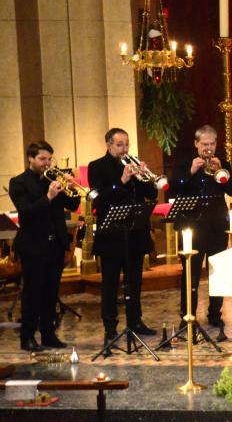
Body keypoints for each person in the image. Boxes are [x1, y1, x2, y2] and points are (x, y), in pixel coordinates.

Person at [88, 128, 158, 343]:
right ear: (108, 145)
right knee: (110, 283)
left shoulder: (133, 164)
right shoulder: (97, 167)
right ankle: (110, 327)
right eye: (119, 145)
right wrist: (122, 180)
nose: (124, 149)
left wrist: (144, 177)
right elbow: (99, 200)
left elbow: (152, 194)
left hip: (134, 234)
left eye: (126, 144)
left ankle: (135, 321)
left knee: (134, 281)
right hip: (111, 236)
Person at [10, 141, 81, 351]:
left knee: (51, 292)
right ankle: (27, 337)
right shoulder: (19, 183)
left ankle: (49, 334)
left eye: (49, 159)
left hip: (55, 244)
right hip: (33, 244)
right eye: (42, 159)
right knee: (33, 292)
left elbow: (73, 206)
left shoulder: (53, 179)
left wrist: (69, 186)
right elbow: (27, 211)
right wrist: (49, 196)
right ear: (30, 158)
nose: (47, 163)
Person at [169, 125, 232, 332]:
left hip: (217, 225)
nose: (208, 148)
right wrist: (190, 172)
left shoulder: (222, 164)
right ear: (196, 144)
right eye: (204, 144)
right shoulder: (184, 164)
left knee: (217, 271)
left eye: (212, 144)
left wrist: (221, 173)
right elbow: (173, 188)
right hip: (192, 227)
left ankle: (215, 314)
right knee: (191, 274)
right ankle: (187, 316)